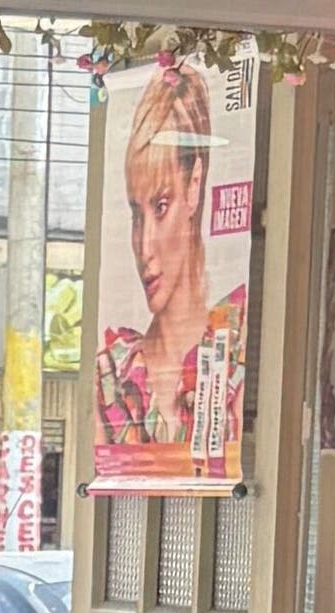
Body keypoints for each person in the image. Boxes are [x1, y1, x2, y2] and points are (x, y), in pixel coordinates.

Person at [97, 58, 247, 464]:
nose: (144, 246)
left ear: (195, 184)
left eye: (160, 206)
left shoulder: (236, 342)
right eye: (135, 213)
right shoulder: (114, 369)